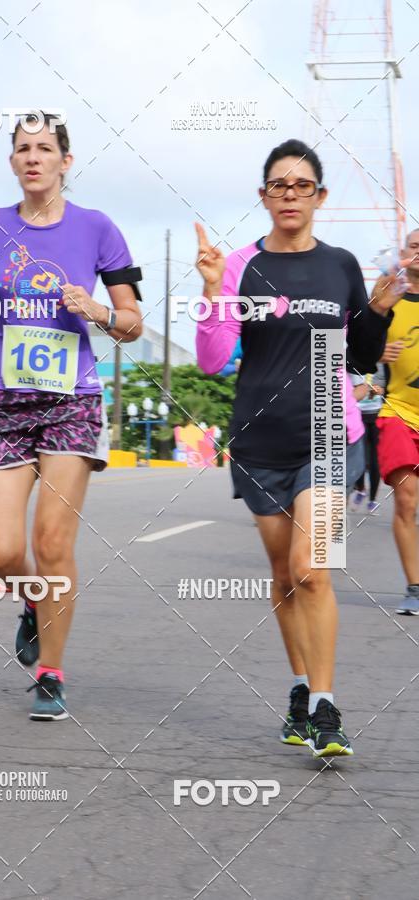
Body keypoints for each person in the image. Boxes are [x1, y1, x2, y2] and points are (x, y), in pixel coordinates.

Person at [194, 138, 407, 757]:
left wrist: (373, 311)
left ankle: (324, 706)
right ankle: (297, 687)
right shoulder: (237, 265)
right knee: (284, 578)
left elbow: (360, 355)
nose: (291, 196)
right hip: (260, 440)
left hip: (330, 434)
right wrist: (211, 291)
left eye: (302, 186)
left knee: (312, 571)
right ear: (264, 197)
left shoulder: (340, 264)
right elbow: (211, 362)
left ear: (319, 196)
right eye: (279, 186)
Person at [0, 112, 143, 719]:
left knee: (52, 541)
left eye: (45, 148)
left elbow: (132, 323)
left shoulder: (97, 228)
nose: (33, 158)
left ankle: (51, 673)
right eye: (22, 149)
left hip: (73, 399)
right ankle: (35, 605)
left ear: (67, 161)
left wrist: (96, 308)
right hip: (6, 401)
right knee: (0, 551)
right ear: (12, 162)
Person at [375, 229, 419, 614]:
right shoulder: (392, 297)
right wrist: (377, 349)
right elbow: (361, 330)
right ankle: (415, 587)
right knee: (406, 500)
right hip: (399, 413)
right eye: (415, 245)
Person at [349, 365, 385, 514]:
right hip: (358, 415)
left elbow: (386, 388)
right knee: (361, 458)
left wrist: (379, 391)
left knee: (375, 460)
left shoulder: (382, 365)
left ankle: (372, 500)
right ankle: (361, 490)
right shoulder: (354, 363)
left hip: (376, 415)